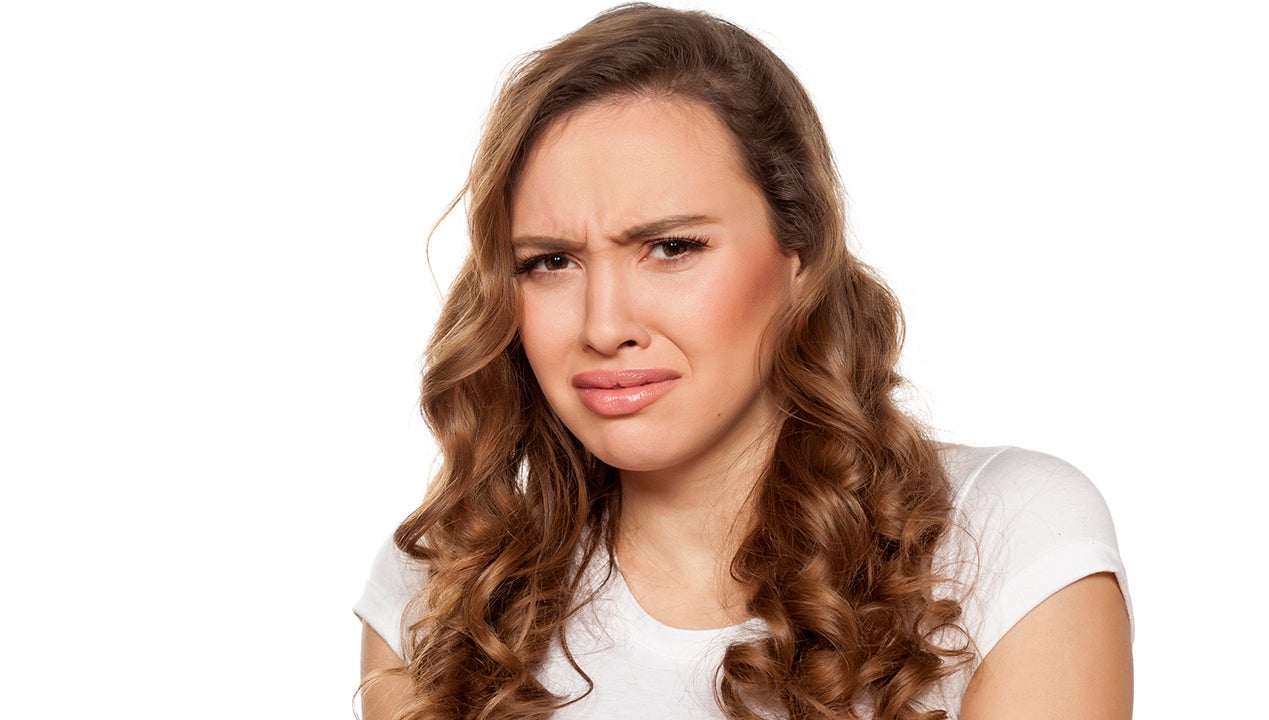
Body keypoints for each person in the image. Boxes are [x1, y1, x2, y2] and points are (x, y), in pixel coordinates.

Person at [355, 4, 1133, 719]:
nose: (605, 325)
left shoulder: (1003, 539)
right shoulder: (439, 589)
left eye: (671, 248)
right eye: (551, 261)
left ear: (801, 254)